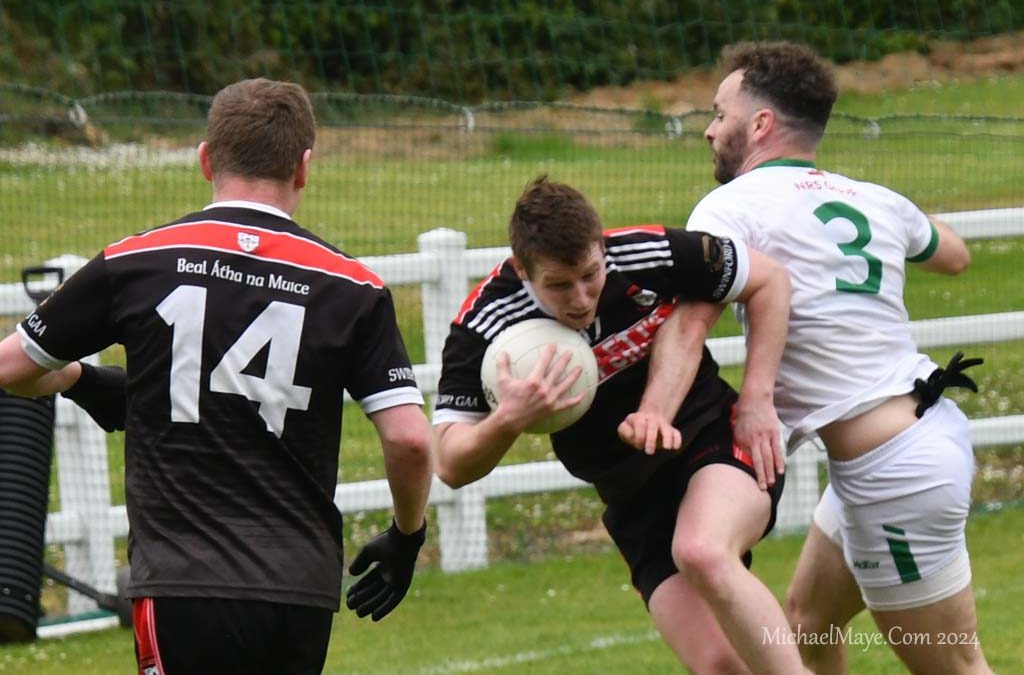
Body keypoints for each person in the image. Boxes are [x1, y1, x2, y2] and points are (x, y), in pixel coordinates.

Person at [0, 78, 433, 675]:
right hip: (298, 588)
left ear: (205, 158)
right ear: (304, 168)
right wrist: (407, 536)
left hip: (184, 581)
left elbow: (12, 370)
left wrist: (77, 379)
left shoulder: (137, 260)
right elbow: (410, 439)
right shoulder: (353, 287)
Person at [686, 41, 993, 674]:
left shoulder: (728, 207)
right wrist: (873, 216)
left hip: (896, 475)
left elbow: (690, 326)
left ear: (762, 124)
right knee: (808, 624)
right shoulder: (873, 198)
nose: (711, 130)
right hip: (903, 440)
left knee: (954, 666)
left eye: (719, 113)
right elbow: (955, 255)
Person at [432, 175, 808, 674]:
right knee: (718, 664)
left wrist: (759, 397)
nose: (582, 298)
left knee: (701, 549)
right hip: (632, 497)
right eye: (559, 285)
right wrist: (508, 420)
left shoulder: (648, 254)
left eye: (591, 274)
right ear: (523, 270)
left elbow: (769, 280)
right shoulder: (485, 324)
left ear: (602, 245)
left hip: (713, 442)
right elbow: (451, 463)